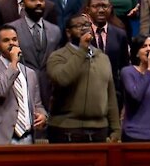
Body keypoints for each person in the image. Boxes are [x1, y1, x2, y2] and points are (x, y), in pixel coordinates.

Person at [47, 14, 121, 143]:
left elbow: (110, 95)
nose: (84, 29)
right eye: (79, 26)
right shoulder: (58, 56)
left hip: (99, 130)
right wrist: (81, 50)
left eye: (87, 25)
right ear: (68, 32)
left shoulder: (102, 58)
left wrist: (115, 128)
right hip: (66, 130)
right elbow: (63, 79)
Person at [0, 25, 47, 145]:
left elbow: (37, 104)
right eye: (6, 40)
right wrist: (14, 63)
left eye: (14, 39)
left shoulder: (30, 73)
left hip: (27, 138)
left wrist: (42, 115)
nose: (12, 43)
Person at [8, 0, 62, 111]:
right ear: (23, 5)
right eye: (33, 0)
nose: (38, 3)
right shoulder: (12, 29)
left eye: (41, 0)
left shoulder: (55, 30)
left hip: (49, 89)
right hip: (21, 89)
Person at [85, 0, 130, 112]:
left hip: (114, 93)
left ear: (110, 8)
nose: (100, 10)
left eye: (104, 6)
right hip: (86, 94)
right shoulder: (82, 34)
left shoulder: (119, 34)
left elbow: (124, 67)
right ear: (88, 9)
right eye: (96, 6)